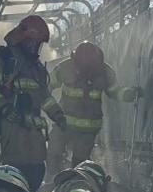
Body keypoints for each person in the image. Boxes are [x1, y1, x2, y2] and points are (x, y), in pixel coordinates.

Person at [0, 15, 66, 192]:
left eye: (38, 44)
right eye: (33, 43)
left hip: (34, 126)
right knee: (14, 168)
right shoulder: (1, 59)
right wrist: (4, 107)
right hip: (12, 123)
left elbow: (45, 96)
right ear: (22, 38)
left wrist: (57, 115)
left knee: (37, 169)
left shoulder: (37, 68)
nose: (35, 48)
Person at [46, 42, 141, 173]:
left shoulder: (104, 72)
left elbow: (115, 91)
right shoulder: (66, 67)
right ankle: (53, 181)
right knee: (54, 155)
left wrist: (130, 94)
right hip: (65, 124)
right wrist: (48, 105)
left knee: (78, 163)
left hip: (84, 128)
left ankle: (73, 184)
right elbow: (48, 85)